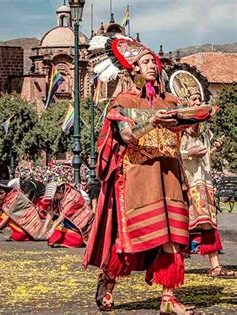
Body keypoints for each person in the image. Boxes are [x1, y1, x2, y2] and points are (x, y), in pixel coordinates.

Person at [83, 35, 214, 314]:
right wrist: (151, 121)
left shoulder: (170, 100)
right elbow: (126, 134)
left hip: (169, 175)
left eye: (154, 61)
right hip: (139, 176)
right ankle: (107, 281)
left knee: (172, 237)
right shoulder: (124, 100)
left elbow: (186, 130)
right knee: (128, 238)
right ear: (133, 69)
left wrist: (199, 116)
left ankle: (168, 298)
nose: (152, 65)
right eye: (145, 62)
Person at [168, 66, 235, 278]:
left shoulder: (204, 130)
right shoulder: (176, 128)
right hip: (186, 182)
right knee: (181, 225)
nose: (198, 103)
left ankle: (215, 265)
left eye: (199, 99)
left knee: (207, 223)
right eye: (194, 100)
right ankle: (175, 270)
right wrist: (189, 152)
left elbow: (204, 156)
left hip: (203, 182)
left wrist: (213, 149)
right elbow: (172, 152)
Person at [41, 183, 95, 248]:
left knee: (77, 240)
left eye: (55, 196)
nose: (54, 198)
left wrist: (52, 228)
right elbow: (51, 211)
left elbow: (63, 215)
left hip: (82, 224)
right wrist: (45, 227)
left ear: (59, 192)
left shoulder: (71, 196)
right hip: (68, 222)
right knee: (54, 235)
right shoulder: (57, 196)